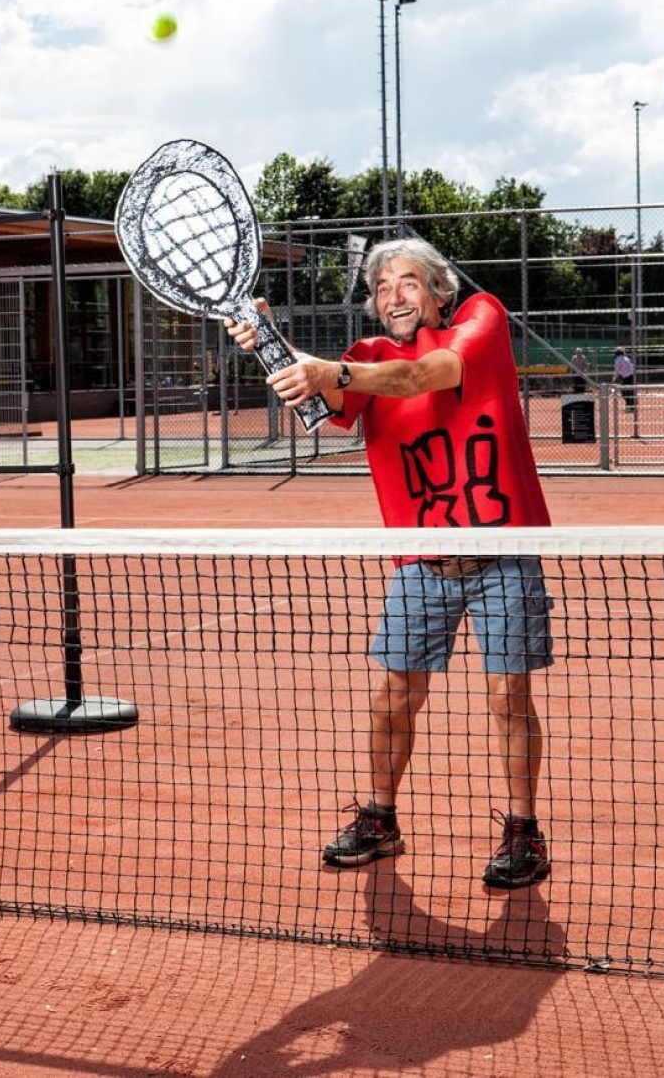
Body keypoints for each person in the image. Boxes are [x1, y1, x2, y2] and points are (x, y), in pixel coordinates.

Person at [225, 238, 553, 890]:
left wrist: (331, 372)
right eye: (380, 288)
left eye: (406, 282)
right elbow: (318, 403)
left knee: (507, 694)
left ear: (438, 292)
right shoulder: (366, 354)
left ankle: (523, 831)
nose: (392, 296)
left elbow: (425, 375)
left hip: (500, 551)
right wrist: (266, 340)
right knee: (392, 696)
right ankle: (379, 820)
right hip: (419, 560)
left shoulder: (479, 320)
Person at [613, 347, 636, 411]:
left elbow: (617, 370)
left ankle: (630, 407)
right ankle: (631, 406)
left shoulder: (617, 360)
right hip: (631, 376)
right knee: (629, 392)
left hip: (627, 377)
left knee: (624, 392)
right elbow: (631, 367)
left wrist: (614, 378)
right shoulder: (627, 358)